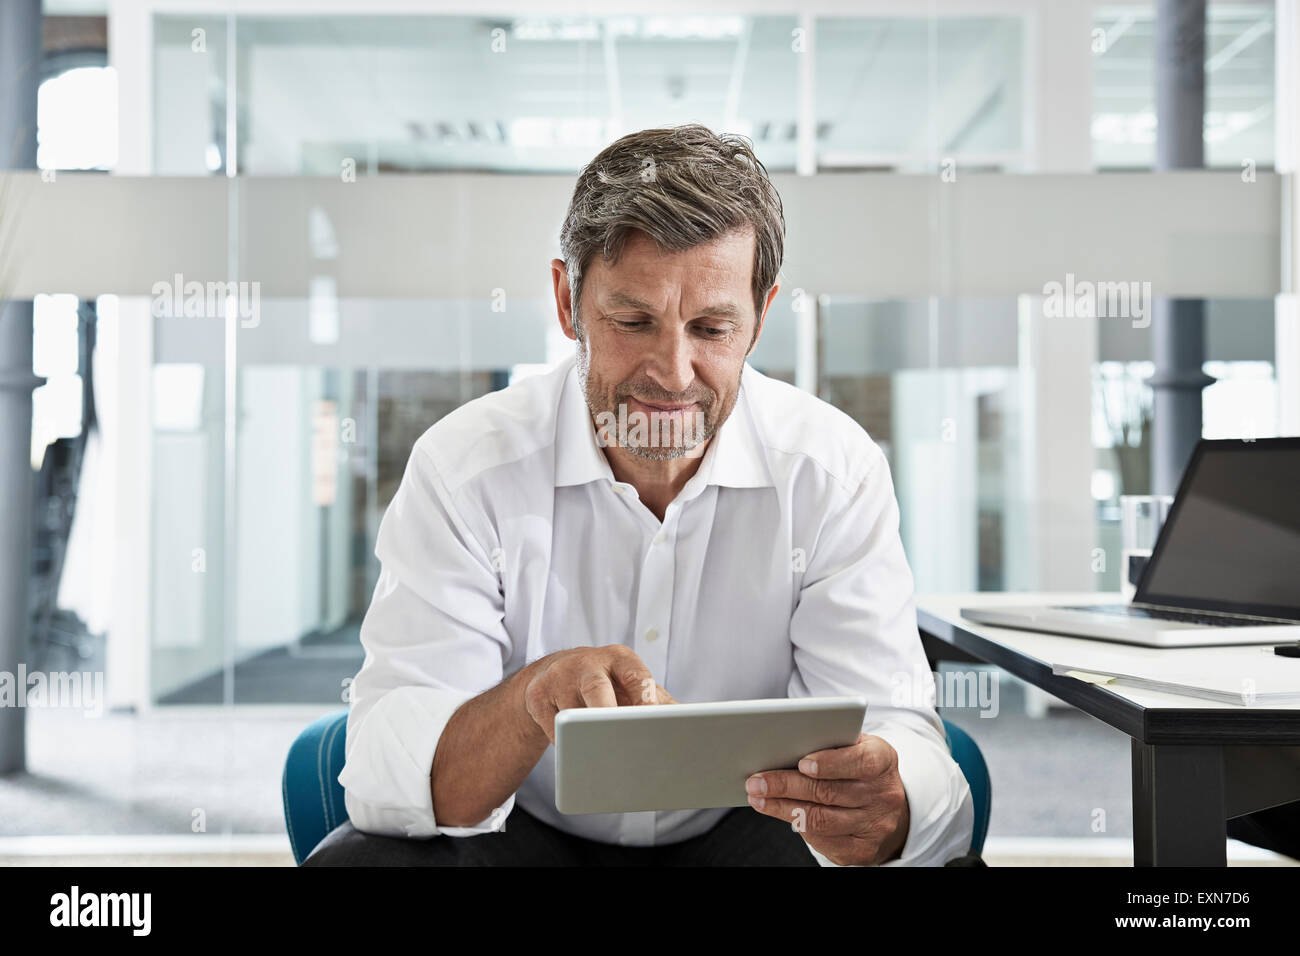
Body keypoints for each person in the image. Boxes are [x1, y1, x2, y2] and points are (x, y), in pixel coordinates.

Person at [305, 124, 974, 867]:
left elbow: (902, 736)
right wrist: (531, 702)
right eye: (633, 321)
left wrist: (889, 800)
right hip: (524, 830)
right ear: (566, 302)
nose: (674, 373)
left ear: (760, 320)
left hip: (747, 828)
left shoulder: (831, 470)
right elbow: (386, 770)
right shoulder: (465, 468)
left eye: (712, 327)